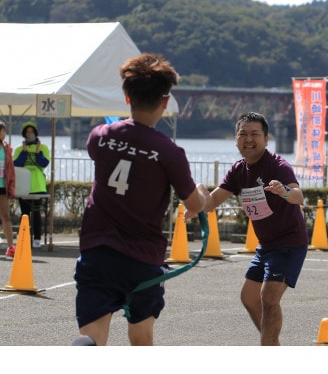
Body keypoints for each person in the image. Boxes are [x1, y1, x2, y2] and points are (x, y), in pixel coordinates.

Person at [73, 52, 207, 346]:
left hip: (97, 252)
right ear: (164, 102)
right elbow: (194, 205)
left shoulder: (100, 136)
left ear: (127, 97)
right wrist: (202, 193)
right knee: (142, 337)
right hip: (142, 260)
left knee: (92, 337)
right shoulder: (169, 152)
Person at [185, 111, 308, 346]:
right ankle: (272, 345)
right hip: (266, 246)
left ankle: (268, 349)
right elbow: (213, 200)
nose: (248, 139)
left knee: (269, 297)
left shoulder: (277, 165)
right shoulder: (239, 169)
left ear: (266, 138)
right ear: (235, 138)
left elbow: (298, 197)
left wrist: (284, 191)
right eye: (243, 134)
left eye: (254, 134)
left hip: (289, 243)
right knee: (249, 298)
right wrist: (196, 204)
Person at [13, 121, 50, 248]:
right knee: (24, 213)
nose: (30, 134)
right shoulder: (19, 149)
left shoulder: (43, 147)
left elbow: (44, 164)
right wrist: (24, 152)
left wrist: (38, 152)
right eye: (27, 132)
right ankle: (24, 238)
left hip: (38, 185)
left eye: (32, 132)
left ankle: (37, 238)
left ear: (35, 133)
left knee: (36, 212)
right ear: (24, 134)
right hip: (23, 185)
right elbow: (17, 164)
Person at [0, 121, 16, 258]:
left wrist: (11, 187)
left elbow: (11, 170)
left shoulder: (6, 149)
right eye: (2, 131)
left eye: (5, 131)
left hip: (2, 187)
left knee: (6, 217)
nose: (4, 134)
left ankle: (11, 247)